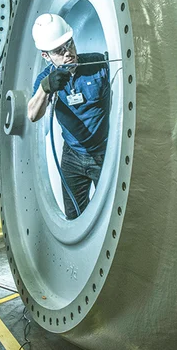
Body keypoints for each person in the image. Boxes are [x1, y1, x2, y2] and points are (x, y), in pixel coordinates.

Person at [27, 13, 110, 219]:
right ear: (46, 55)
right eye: (59, 51)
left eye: (69, 44)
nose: (68, 54)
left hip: (103, 153)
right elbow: (32, 115)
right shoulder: (46, 80)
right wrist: (46, 89)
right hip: (72, 156)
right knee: (75, 215)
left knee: (107, 215)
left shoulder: (98, 65)